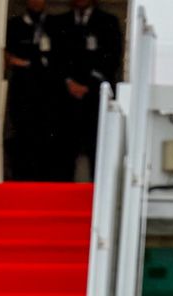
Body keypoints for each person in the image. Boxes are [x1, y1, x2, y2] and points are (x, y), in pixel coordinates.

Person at [47, 0, 123, 181]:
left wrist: (89, 84)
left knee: (96, 146)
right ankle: (61, 194)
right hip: (64, 95)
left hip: (95, 95)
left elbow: (113, 58)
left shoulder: (108, 21)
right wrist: (68, 82)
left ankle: (98, 194)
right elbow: (53, 58)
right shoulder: (58, 22)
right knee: (63, 148)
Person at [4, 0, 63, 181]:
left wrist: (29, 63)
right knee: (23, 133)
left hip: (49, 90)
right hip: (22, 89)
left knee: (47, 134)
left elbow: (60, 56)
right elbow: (8, 56)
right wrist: (26, 63)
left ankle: (45, 178)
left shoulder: (54, 24)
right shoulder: (14, 24)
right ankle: (22, 177)